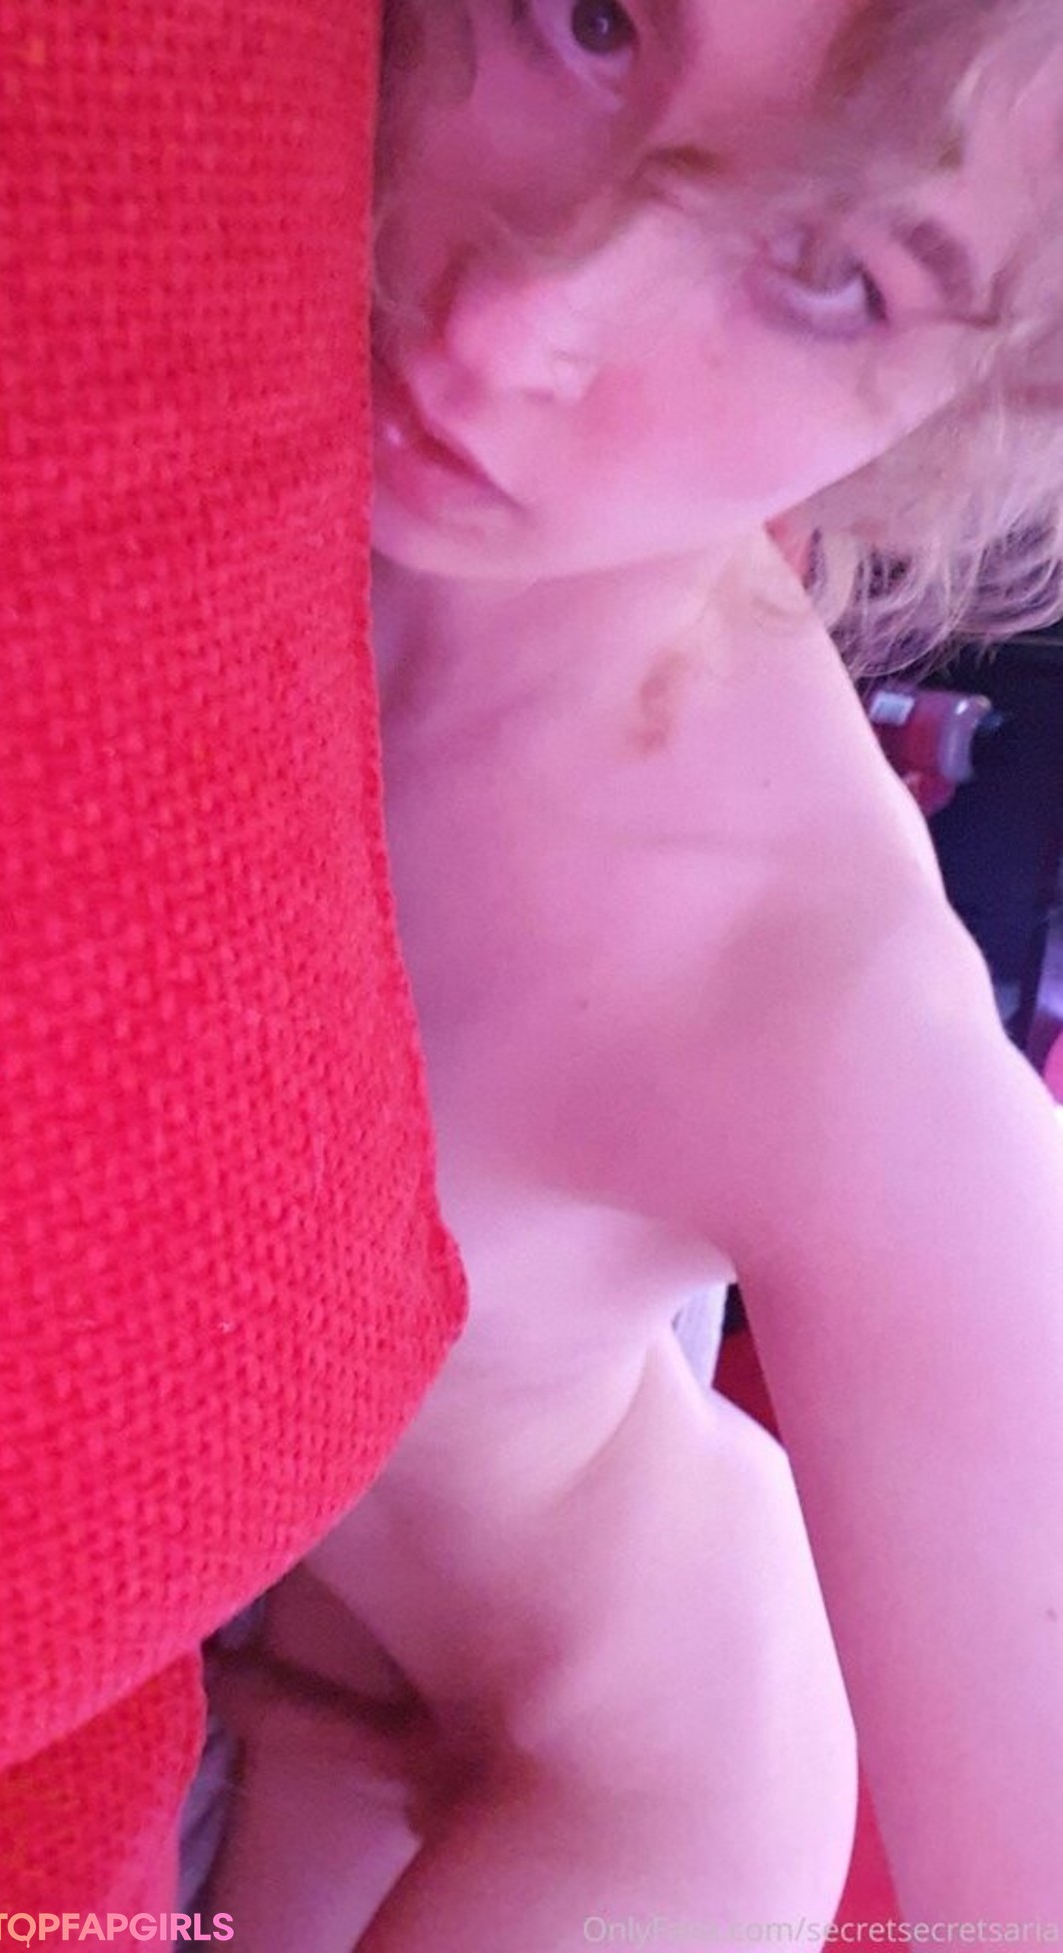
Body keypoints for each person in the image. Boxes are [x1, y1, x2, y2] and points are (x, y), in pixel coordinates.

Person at [207, 0, 1063, 1943]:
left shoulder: (805, 984)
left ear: (989, 394)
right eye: (588, 20)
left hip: (586, 1758)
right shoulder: (181, 297)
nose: (515, 323)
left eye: (833, 275)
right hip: (259, 1598)